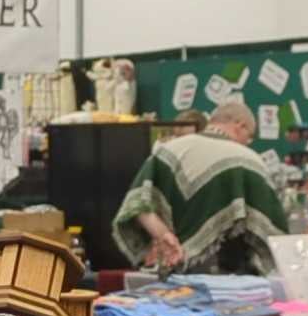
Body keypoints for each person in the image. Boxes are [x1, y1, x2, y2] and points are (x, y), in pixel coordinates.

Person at [112, 101, 288, 274]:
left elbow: (137, 204)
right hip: (234, 280)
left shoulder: (171, 150)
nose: (248, 142)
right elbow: (272, 232)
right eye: (249, 135)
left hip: (175, 269)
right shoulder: (250, 161)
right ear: (240, 126)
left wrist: (163, 234)